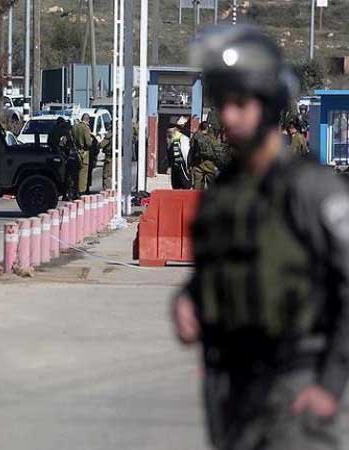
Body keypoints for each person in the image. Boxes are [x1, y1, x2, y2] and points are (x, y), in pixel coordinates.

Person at [173, 25, 349, 450]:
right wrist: (187, 300)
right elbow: (215, 271)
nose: (229, 117)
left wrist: (329, 384)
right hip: (232, 390)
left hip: (296, 386)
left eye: (241, 104)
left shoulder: (311, 189)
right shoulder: (225, 193)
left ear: (269, 104)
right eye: (223, 104)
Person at [49, 117, 79, 200]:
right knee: (69, 176)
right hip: (64, 157)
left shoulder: (52, 131)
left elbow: (50, 143)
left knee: (62, 176)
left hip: (55, 156)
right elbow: (67, 144)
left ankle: (64, 193)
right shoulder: (63, 132)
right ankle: (69, 194)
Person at [191, 122, 219, 189]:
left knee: (197, 184)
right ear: (207, 128)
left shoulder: (195, 136)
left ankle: (196, 195)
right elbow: (217, 150)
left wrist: (191, 163)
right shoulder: (211, 137)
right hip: (210, 163)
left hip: (197, 163)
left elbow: (192, 149)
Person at [72, 113, 95, 195]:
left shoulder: (74, 127)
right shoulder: (85, 128)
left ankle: (74, 191)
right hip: (84, 152)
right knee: (83, 173)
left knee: (75, 173)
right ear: (87, 120)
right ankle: (81, 191)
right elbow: (88, 143)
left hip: (75, 152)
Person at [166, 119, 192, 189]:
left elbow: (186, 153)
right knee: (175, 185)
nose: (169, 133)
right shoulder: (171, 139)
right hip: (175, 167)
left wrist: (187, 166)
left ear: (175, 129)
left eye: (170, 131)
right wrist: (169, 166)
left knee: (185, 184)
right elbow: (170, 154)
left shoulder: (183, 138)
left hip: (182, 166)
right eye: (168, 132)